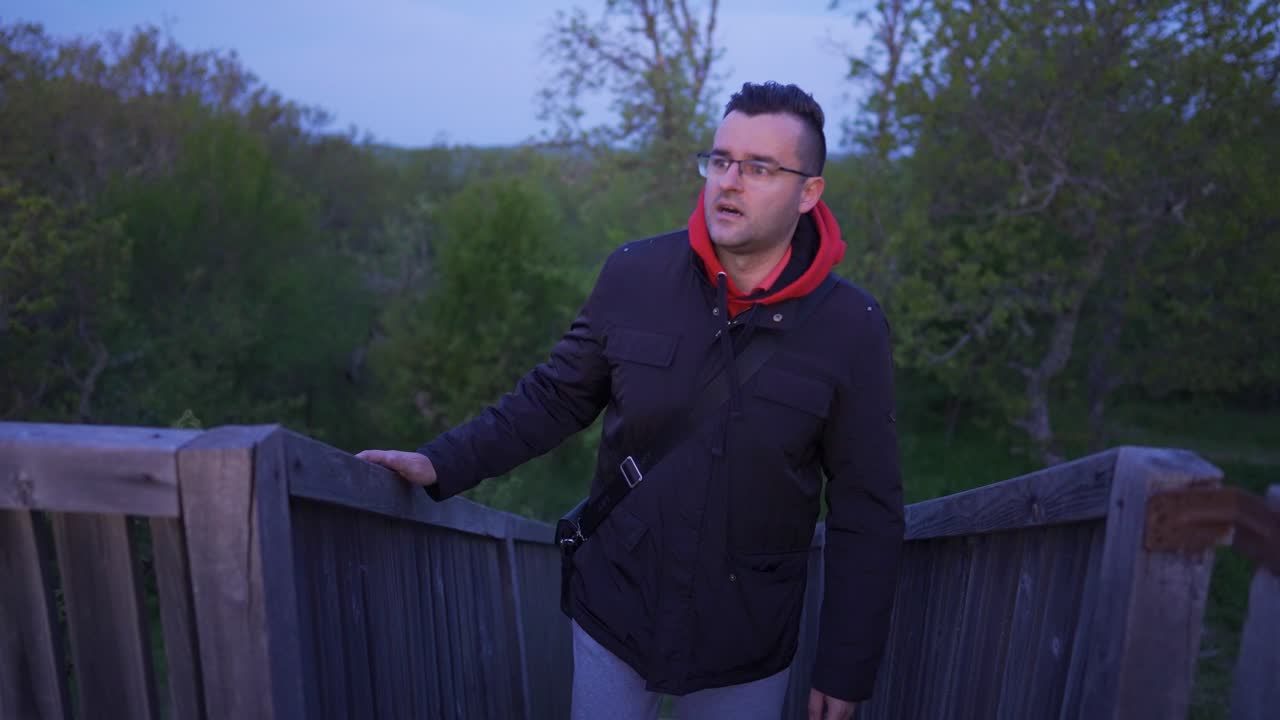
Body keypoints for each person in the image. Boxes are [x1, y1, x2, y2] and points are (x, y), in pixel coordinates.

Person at [357, 81, 903, 720]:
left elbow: (866, 505)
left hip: (747, 632)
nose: (729, 182)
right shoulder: (634, 275)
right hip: (616, 604)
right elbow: (555, 397)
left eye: (759, 168)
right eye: (721, 161)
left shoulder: (851, 326)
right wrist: (440, 462)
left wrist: (845, 664)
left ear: (809, 192)